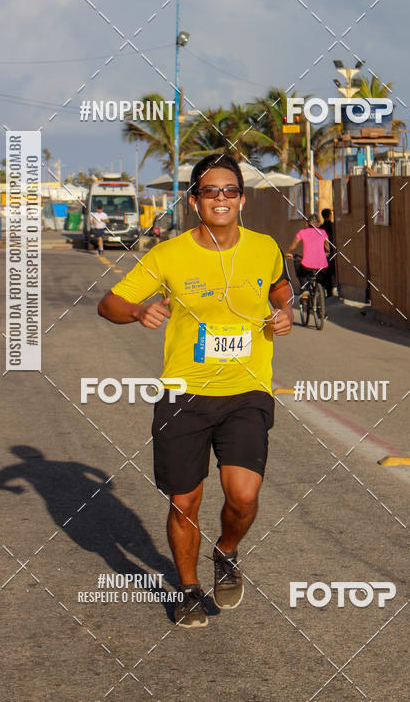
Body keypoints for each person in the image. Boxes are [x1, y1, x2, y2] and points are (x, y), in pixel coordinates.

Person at [98, 153, 293, 628]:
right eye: (210, 191)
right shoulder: (169, 255)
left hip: (247, 390)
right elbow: (109, 303)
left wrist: (283, 314)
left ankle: (225, 552)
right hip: (183, 396)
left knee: (243, 495)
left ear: (242, 199)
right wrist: (138, 313)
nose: (220, 198)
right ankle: (186, 589)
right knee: (184, 501)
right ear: (194, 200)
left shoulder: (264, 247)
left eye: (229, 190)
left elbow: (282, 291)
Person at [285, 213, 330, 295]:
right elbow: (327, 245)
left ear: (307, 223)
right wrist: (327, 252)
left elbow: (294, 246)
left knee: (299, 268)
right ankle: (323, 288)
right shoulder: (323, 232)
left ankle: (304, 288)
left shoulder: (302, 232)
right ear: (318, 223)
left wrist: (288, 252)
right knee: (323, 275)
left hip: (307, 266)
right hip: (322, 266)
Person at [319, 208, 336, 296]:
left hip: (325, 252)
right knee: (334, 270)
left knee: (327, 272)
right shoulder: (333, 226)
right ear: (330, 215)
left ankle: (329, 291)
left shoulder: (321, 228)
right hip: (334, 251)